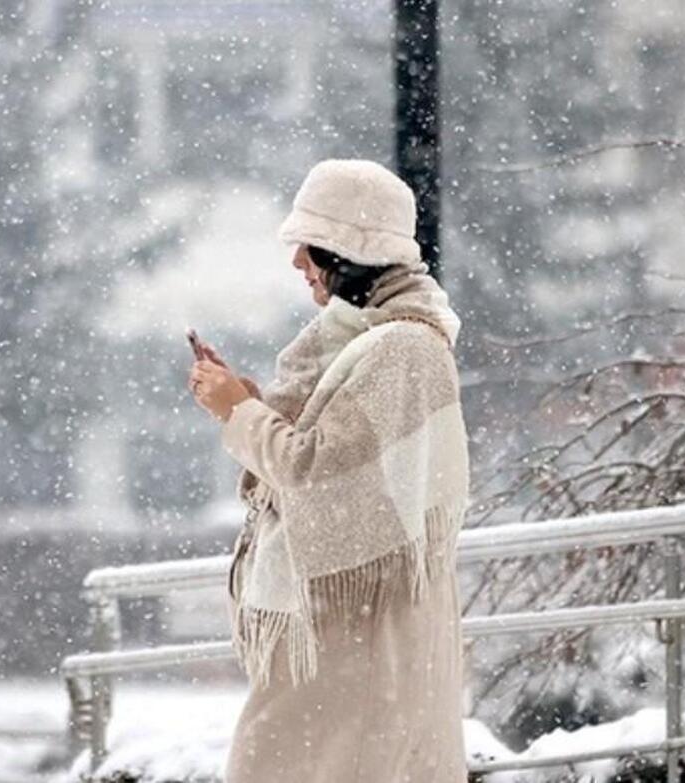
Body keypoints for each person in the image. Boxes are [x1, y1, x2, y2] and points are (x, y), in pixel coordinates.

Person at [188, 158, 471, 783]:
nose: (298, 264)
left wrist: (239, 412)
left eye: (309, 247)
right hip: (347, 639)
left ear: (349, 252)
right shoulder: (367, 339)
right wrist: (245, 405)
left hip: (360, 644)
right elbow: (328, 454)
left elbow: (317, 472)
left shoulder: (401, 349)